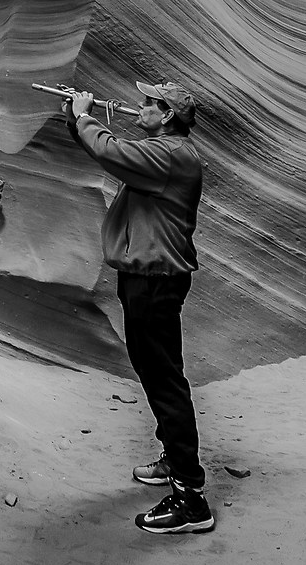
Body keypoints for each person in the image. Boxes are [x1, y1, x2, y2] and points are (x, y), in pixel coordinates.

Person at [67, 80, 212, 535]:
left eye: (149, 103)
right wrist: (76, 121)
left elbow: (112, 154)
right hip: (148, 278)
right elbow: (109, 154)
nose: (140, 106)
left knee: (164, 378)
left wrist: (84, 117)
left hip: (156, 280)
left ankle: (191, 500)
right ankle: (175, 460)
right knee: (155, 371)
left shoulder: (169, 156)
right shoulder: (164, 154)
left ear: (167, 115)